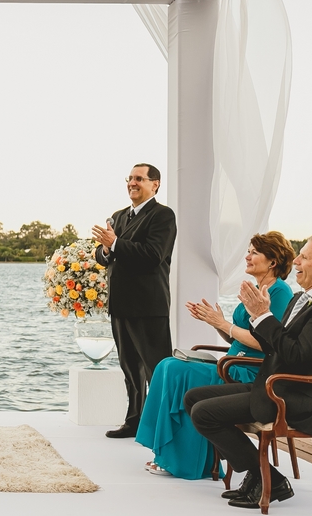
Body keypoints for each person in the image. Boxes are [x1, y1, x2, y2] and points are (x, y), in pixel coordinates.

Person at [185, 232, 312, 509]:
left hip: (298, 394)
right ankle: (260, 475)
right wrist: (258, 316)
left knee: (203, 414)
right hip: (273, 383)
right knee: (193, 398)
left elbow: (296, 355)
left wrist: (264, 316)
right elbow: (275, 347)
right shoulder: (302, 298)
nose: (297, 260)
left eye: (304, 256)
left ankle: (268, 478)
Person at [136, 232, 295, 479]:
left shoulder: (279, 292)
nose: (247, 256)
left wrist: (224, 323)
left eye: (254, 252)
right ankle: (167, 453)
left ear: (273, 261)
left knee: (176, 370)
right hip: (231, 361)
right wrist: (215, 323)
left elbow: (268, 343)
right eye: (249, 250)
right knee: (167, 363)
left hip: (251, 370)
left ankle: (186, 462)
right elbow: (234, 338)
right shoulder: (254, 289)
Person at [92, 163, 177, 439]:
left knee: (156, 369)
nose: (132, 183)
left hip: (149, 306)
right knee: (129, 367)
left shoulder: (163, 216)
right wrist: (105, 249)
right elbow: (105, 257)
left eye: (139, 179)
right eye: (130, 178)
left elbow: (153, 254)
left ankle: (164, 428)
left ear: (155, 184)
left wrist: (115, 243)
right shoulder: (118, 216)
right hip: (121, 305)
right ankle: (135, 421)